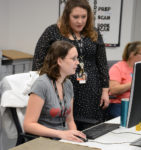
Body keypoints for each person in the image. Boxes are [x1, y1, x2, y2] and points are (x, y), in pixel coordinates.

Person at [32, 0, 109, 130]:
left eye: (84, 17)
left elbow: (102, 63)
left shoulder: (94, 32)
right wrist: (47, 87)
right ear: (67, 16)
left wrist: (105, 90)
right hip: (63, 87)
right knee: (66, 126)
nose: (80, 21)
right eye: (75, 17)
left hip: (91, 90)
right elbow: (38, 62)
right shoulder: (52, 31)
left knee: (91, 129)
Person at [23, 40, 87, 142]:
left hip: (61, 138)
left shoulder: (68, 84)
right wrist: (61, 133)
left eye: (77, 58)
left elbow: (70, 121)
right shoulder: (42, 84)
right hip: (43, 140)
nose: (78, 62)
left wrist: (76, 139)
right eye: (73, 59)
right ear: (60, 61)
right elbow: (28, 125)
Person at [108, 41, 141, 118]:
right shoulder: (118, 67)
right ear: (132, 54)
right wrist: (134, 82)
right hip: (121, 104)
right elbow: (113, 90)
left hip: (138, 104)